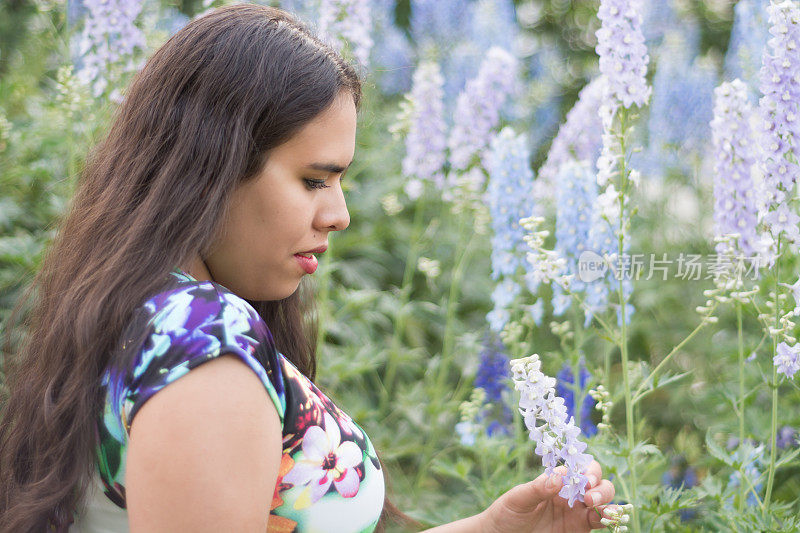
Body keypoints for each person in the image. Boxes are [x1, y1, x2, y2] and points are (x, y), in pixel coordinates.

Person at [0, 4, 618, 532]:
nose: (339, 215)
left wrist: (490, 528)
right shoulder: (203, 340)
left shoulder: (139, 312)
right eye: (313, 180)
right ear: (211, 163)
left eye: (340, 181)